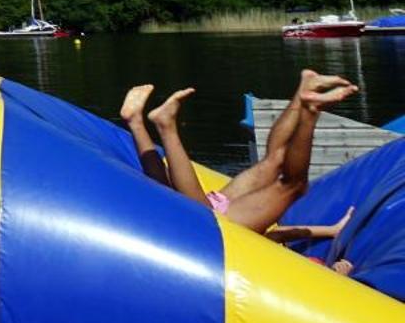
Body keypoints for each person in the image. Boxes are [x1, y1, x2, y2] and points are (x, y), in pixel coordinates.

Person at [121, 71, 359, 270]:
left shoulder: (265, 253)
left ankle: (306, 100)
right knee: (283, 174)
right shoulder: (270, 254)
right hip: (224, 223)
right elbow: (278, 236)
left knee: (282, 172)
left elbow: (277, 235)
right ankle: (307, 106)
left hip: (226, 223)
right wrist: (333, 243)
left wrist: (331, 232)